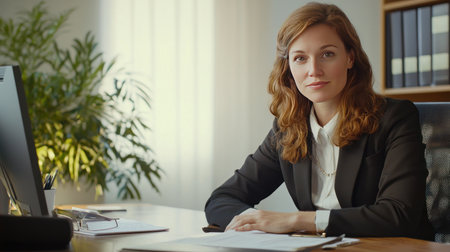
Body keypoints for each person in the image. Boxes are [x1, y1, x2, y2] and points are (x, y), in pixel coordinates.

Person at [204, 2, 435, 240]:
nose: (314, 70)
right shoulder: (288, 128)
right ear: (288, 67)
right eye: (300, 58)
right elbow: (222, 200)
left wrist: (297, 220)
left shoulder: (394, 118)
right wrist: (255, 223)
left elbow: (398, 214)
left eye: (327, 54)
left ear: (350, 58)